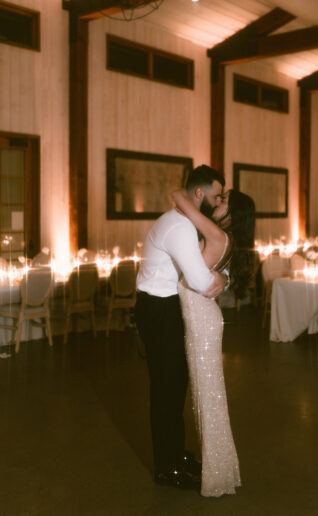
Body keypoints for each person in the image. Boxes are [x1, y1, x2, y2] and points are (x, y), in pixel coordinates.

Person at [135, 165, 229, 491]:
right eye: (216, 196)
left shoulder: (184, 223)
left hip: (164, 308)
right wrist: (223, 280)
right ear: (199, 194)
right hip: (158, 310)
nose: (219, 204)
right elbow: (201, 281)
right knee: (167, 391)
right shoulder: (180, 228)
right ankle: (168, 468)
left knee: (175, 388)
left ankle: (176, 455)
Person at [172, 187, 256, 497]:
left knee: (209, 398)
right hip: (204, 317)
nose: (215, 203)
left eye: (222, 201)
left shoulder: (217, 234)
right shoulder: (224, 236)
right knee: (209, 397)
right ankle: (219, 469)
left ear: (233, 214)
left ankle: (216, 474)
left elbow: (178, 197)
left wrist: (195, 192)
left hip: (203, 321)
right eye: (217, 197)